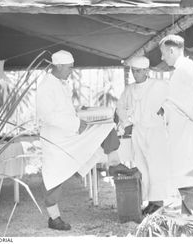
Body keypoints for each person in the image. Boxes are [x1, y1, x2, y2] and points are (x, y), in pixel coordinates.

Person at [36, 50, 136, 231]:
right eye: (69, 68)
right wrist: (76, 123)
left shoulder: (60, 83)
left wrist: (80, 111)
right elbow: (48, 116)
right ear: (58, 66)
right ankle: (54, 218)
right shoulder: (46, 85)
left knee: (105, 127)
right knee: (54, 176)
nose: (71, 71)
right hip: (55, 139)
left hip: (69, 132)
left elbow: (63, 110)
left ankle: (114, 163)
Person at [159, 34, 193, 229]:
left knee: (189, 185)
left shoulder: (182, 72)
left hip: (185, 136)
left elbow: (181, 107)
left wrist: (167, 115)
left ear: (172, 51)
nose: (163, 58)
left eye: (164, 54)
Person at [116, 56, 172, 214]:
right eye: (133, 71)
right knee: (142, 166)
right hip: (138, 131)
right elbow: (120, 107)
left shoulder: (159, 85)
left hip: (156, 132)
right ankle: (150, 201)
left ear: (146, 71)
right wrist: (126, 120)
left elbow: (172, 102)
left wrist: (164, 109)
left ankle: (159, 202)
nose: (135, 74)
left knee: (156, 166)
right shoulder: (129, 89)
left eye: (139, 71)